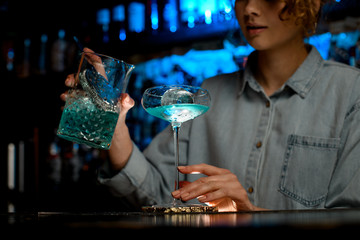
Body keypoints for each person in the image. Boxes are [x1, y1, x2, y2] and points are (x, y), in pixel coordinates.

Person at [62, 0, 360, 211]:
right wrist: (113, 126)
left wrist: (251, 213)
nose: (250, 9)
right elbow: (155, 196)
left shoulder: (350, 92)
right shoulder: (206, 94)